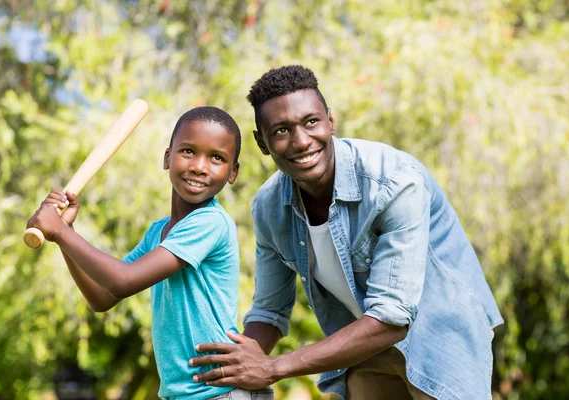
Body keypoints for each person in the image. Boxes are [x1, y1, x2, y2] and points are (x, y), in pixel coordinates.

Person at [189, 66, 504, 400]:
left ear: (330, 121)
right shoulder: (269, 207)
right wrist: (236, 364)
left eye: (311, 122)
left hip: (440, 337)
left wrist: (272, 367)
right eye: (281, 130)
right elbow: (269, 311)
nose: (301, 141)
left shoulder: (394, 181)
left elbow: (392, 316)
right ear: (262, 143)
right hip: (362, 346)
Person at [27, 106, 274, 400]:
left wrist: (60, 232)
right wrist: (67, 233)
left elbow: (123, 280)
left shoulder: (211, 223)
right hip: (184, 394)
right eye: (188, 152)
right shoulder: (158, 232)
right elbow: (103, 296)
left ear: (232, 172)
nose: (199, 166)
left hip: (217, 392)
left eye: (216, 158)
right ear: (168, 157)